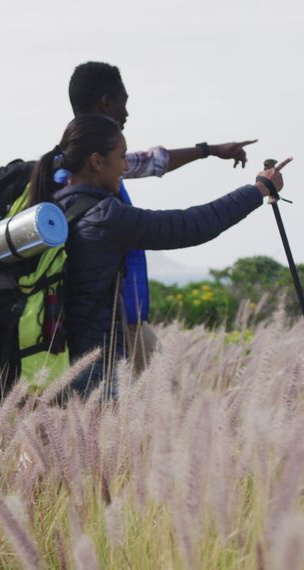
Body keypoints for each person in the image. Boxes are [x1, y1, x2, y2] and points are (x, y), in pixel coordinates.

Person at [29, 113, 288, 400]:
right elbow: (192, 226)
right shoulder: (105, 216)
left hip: (58, 363)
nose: (125, 166)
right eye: (122, 157)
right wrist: (260, 189)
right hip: (94, 371)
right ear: (97, 161)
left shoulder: (57, 208)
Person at [67, 62, 259, 374]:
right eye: (124, 103)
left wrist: (209, 150)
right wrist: (258, 190)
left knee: (164, 408)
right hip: (105, 327)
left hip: (118, 321)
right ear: (106, 104)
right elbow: (185, 227)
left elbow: (152, 161)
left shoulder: (82, 166)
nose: (127, 113)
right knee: (172, 409)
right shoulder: (92, 190)